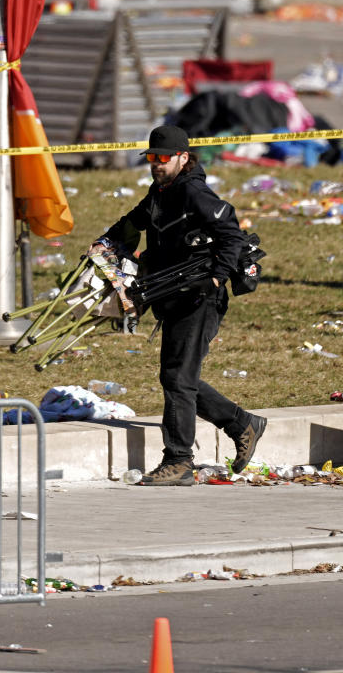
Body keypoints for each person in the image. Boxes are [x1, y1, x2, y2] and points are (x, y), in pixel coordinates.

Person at [89, 125, 267, 486]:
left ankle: (179, 460)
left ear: (183, 158)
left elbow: (231, 233)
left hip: (201, 297)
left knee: (178, 379)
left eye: (163, 158)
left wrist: (217, 277)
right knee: (176, 376)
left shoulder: (193, 192)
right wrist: (105, 243)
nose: (155, 164)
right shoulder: (160, 190)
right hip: (172, 294)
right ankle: (241, 423)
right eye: (151, 158)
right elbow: (134, 222)